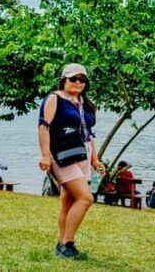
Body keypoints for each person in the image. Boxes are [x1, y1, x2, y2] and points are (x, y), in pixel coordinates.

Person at [38, 63, 105, 260]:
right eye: (73, 79)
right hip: (61, 155)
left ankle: (62, 244)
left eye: (82, 80)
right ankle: (67, 243)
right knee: (85, 198)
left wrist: (95, 159)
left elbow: (88, 133)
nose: (78, 83)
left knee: (68, 201)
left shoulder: (85, 102)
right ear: (64, 80)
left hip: (82, 154)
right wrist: (45, 155)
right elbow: (44, 127)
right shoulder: (55, 98)